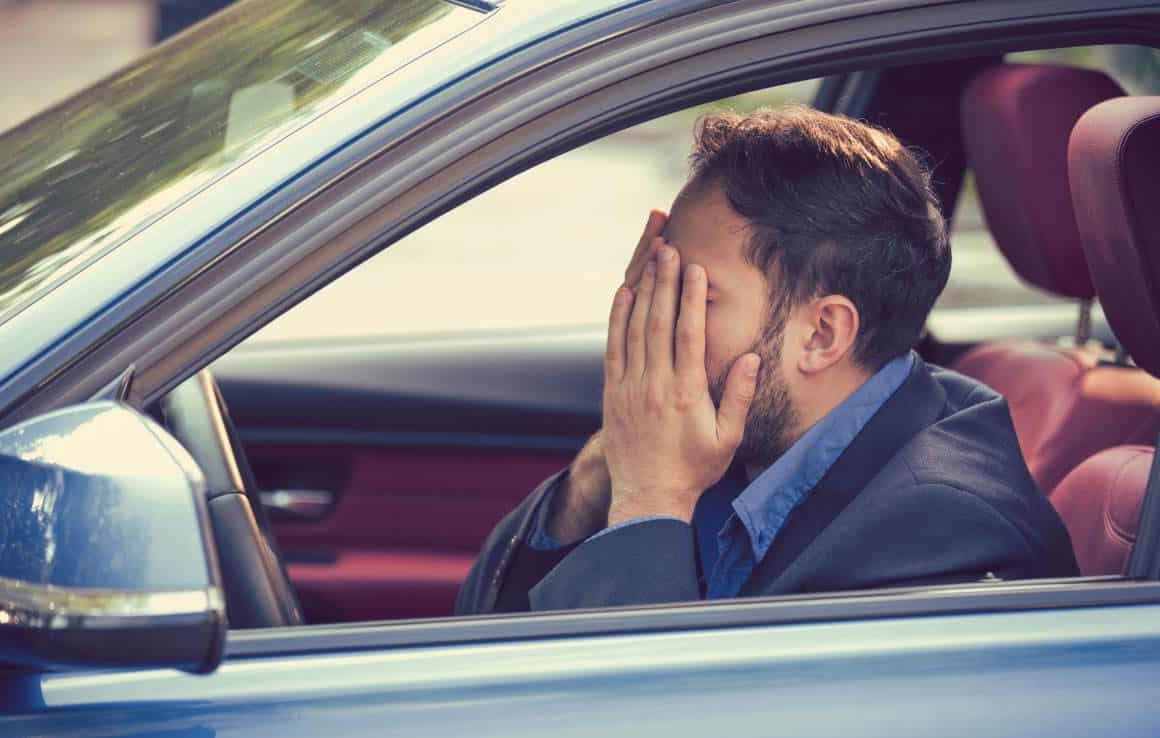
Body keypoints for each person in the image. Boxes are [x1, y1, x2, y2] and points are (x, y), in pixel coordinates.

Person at [456, 106, 1078, 615]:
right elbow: (483, 631)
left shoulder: (943, 538)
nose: (654, 319)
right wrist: (607, 466)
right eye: (655, 283)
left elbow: (650, 720)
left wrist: (652, 499)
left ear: (822, 335)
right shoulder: (748, 438)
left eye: (693, 294)